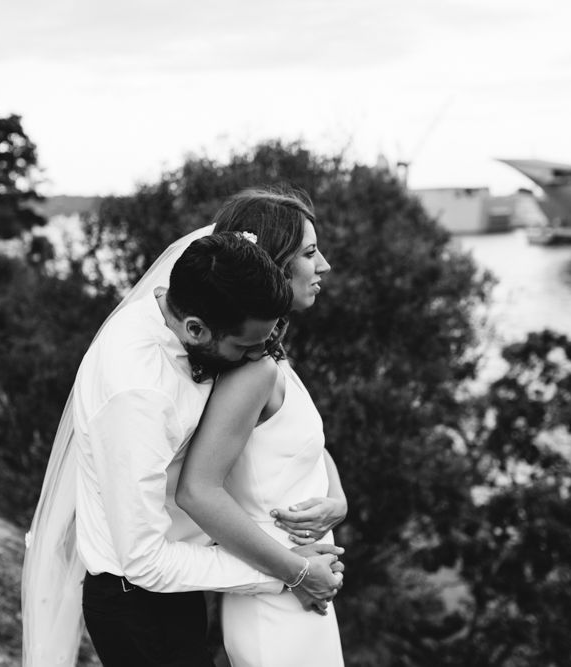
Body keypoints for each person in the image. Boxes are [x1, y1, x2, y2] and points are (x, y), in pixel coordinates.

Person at [21, 231, 344, 667]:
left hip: (181, 586)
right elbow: (145, 561)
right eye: (246, 347)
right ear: (195, 328)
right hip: (135, 606)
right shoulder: (137, 395)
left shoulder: (194, 318)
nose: (257, 360)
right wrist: (289, 573)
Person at [176, 188, 347, 666]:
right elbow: (198, 490)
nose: (325, 265)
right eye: (311, 253)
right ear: (275, 265)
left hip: (304, 589)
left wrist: (337, 501)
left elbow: (303, 447)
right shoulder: (253, 374)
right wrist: (296, 574)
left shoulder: (272, 358)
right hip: (276, 598)